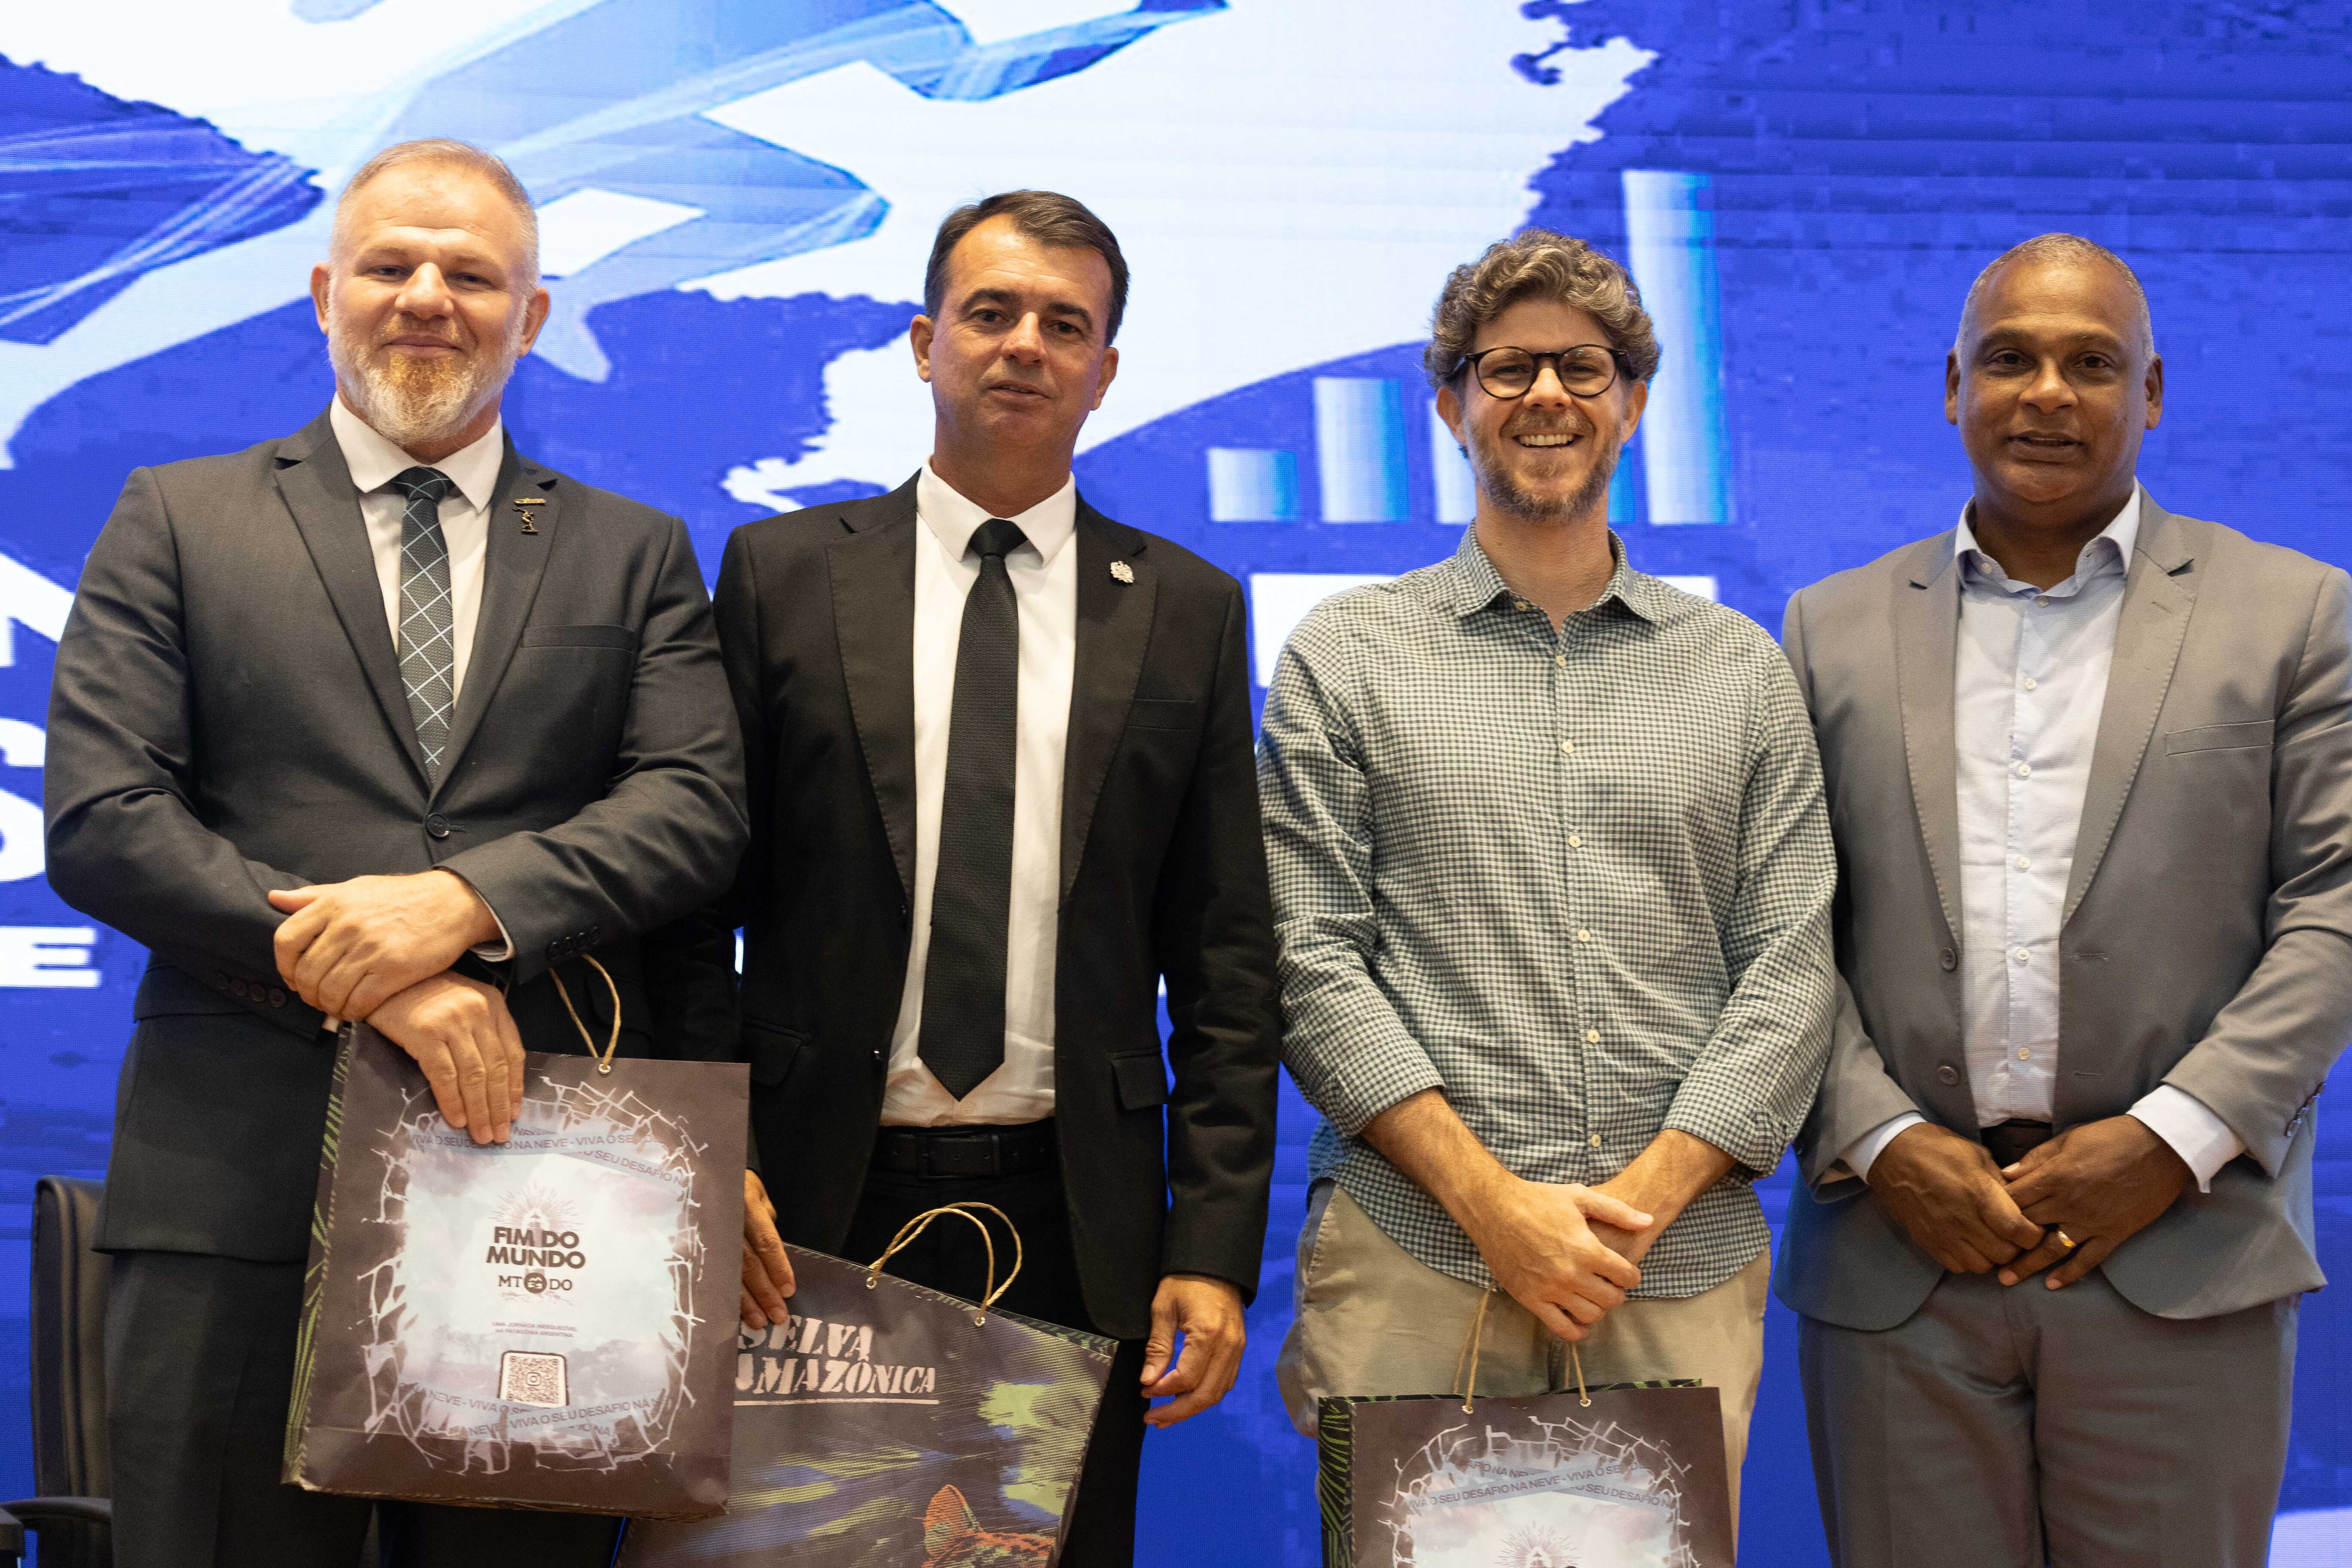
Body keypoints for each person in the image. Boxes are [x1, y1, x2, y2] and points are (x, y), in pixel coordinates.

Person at [43, 139, 748, 1566]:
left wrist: (467, 904)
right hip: (233, 1199)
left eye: (471, 275)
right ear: (325, 295)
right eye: (390, 266)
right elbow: (105, 818)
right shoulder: (177, 518)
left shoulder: (633, 551)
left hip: (541, 1207)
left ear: (530, 317)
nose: (427, 296)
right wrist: (375, 978)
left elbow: (694, 804)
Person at [710, 190, 1279, 1567]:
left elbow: (1228, 961)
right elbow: (692, 903)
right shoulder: (783, 575)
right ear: (925, 342)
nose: (1026, 344)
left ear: (1106, 369)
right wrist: (709, 1166)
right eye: (991, 312)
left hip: (1076, 1219)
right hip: (805, 1205)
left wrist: (1210, 1249)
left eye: (1064, 324)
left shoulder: (1188, 609)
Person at [1776, 233, 2352, 1567]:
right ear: (1952, 388)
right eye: (2009, 359)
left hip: (2181, 1252)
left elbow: (2335, 905)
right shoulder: (1827, 628)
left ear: (2151, 393)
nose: (2047, 393)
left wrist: (2168, 1139)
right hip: (1901, 1260)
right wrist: (1881, 1140)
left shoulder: (2294, 614)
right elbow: (1778, 928)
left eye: (2092, 364)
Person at [1261, 229, 1837, 1504]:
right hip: (1414, 1258)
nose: (1547, 397)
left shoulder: (1741, 671)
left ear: (1633, 403)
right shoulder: (1344, 657)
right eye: (1507, 367)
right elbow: (1310, 958)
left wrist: (1632, 1210)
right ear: (1450, 405)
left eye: (1583, 368)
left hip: (1671, 1270)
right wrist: (1497, 1209)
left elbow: (1792, 969)